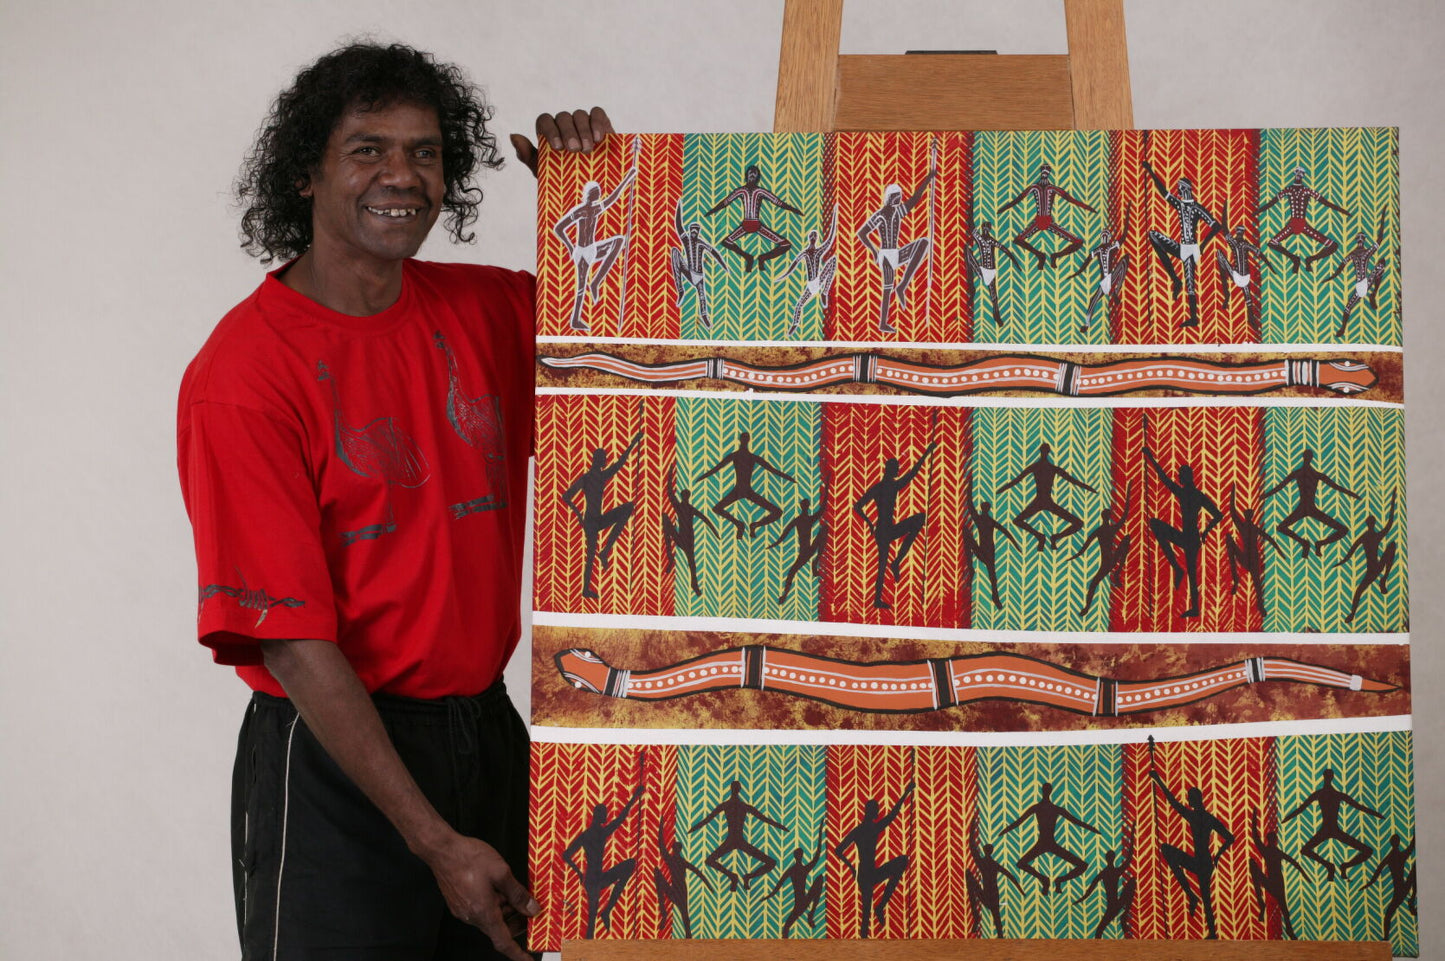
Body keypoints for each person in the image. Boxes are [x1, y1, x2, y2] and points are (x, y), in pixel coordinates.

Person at [178, 41, 610, 960]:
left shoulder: (490, 311)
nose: (402, 176)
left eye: (424, 152)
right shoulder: (246, 374)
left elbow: (648, 357)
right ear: (305, 170)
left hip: (486, 733)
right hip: (335, 763)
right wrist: (432, 838)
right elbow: (291, 637)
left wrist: (596, 197)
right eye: (368, 150)